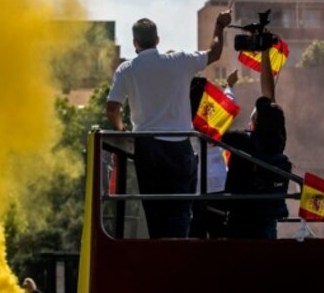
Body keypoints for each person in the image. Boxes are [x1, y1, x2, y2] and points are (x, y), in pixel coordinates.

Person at [106, 12, 230, 238]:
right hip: (180, 148)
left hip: (147, 150)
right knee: (182, 210)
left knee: (155, 212)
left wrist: (122, 131)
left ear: (135, 43)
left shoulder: (127, 70)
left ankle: (160, 257)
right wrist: (219, 25)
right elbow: (215, 53)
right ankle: (178, 253)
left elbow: (113, 108)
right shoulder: (179, 61)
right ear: (157, 40)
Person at [222, 46, 291, 239]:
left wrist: (229, 89)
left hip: (241, 222)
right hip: (267, 221)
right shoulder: (278, 140)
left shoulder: (241, 141)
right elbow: (271, 100)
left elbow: (215, 128)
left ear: (257, 121)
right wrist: (265, 53)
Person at [189, 70, 239, 238]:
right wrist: (229, 86)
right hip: (219, 181)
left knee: (196, 232)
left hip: (196, 184)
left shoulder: (183, 120)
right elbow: (228, 101)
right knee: (218, 233)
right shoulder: (214, 116)